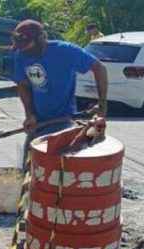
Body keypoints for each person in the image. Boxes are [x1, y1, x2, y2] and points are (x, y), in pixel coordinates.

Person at [11, 20, 108, 168]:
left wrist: (102, 104)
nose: (25, 52)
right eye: (22, 49)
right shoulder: (21, 54)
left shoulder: (65, 51)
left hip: (64, 119)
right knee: (29, 165)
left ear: (41, 38)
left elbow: (99, 68)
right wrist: (29, 114)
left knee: (55, 166)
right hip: (38, 121)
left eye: (28, 48)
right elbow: (23, 85)